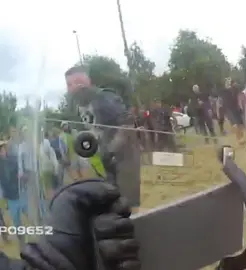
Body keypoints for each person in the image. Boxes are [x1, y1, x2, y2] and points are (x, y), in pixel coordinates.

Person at [0, 180, 140, 270]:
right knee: (17, 220)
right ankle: (18, 236)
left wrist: (59, 259)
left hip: (19, 196)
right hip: (12, 199)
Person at [64, 65, 141, 208]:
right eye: (68, 85)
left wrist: (112, 149)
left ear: (84, 82)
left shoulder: (103, 97)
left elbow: (127, 125)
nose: (70, 89)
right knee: (114, 203)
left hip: (125, 159)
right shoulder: (81, 105)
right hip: (108, 160)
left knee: (127, 206)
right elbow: (95, 130)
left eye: (73, 83)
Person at [219, 77, 245, 144]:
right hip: (228, 110)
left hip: (236, 108)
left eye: (229, 81)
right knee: (235, 125)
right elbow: (220, 101)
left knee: (241, 125)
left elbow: (240, 92)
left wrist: (240, 105)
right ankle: (239, 139)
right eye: (227, 81)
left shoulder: (235, 89)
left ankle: (242, 138)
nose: (228, 82)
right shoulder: (223, 91)